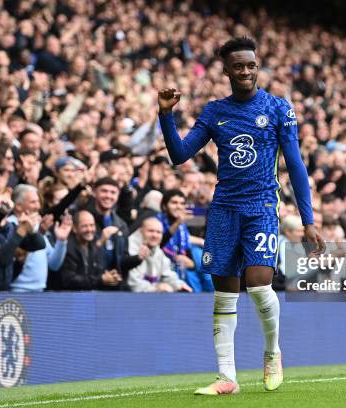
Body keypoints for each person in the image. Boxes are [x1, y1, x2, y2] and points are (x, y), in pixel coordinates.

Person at [158, 37, 324, 394]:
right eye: (238, 66)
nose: (246, 71)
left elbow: (295, 166)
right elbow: (180, 154)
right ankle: (226, 377)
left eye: (251, 64)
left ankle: (272, 352)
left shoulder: (278, 108)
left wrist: (308, 221)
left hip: (262, 207)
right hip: (223, 210)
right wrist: (166, 116)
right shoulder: (215, 111)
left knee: (260, 284)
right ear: (226, 70)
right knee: (224, 295)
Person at [126, 217, 193, 293]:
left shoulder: (157, 250)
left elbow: (167, 275)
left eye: (158, 232)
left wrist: (179, 285)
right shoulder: (131, 248)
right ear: (141, 231)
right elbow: (133, 284)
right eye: (150, 231)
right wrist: (156, 288)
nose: (155, 235)